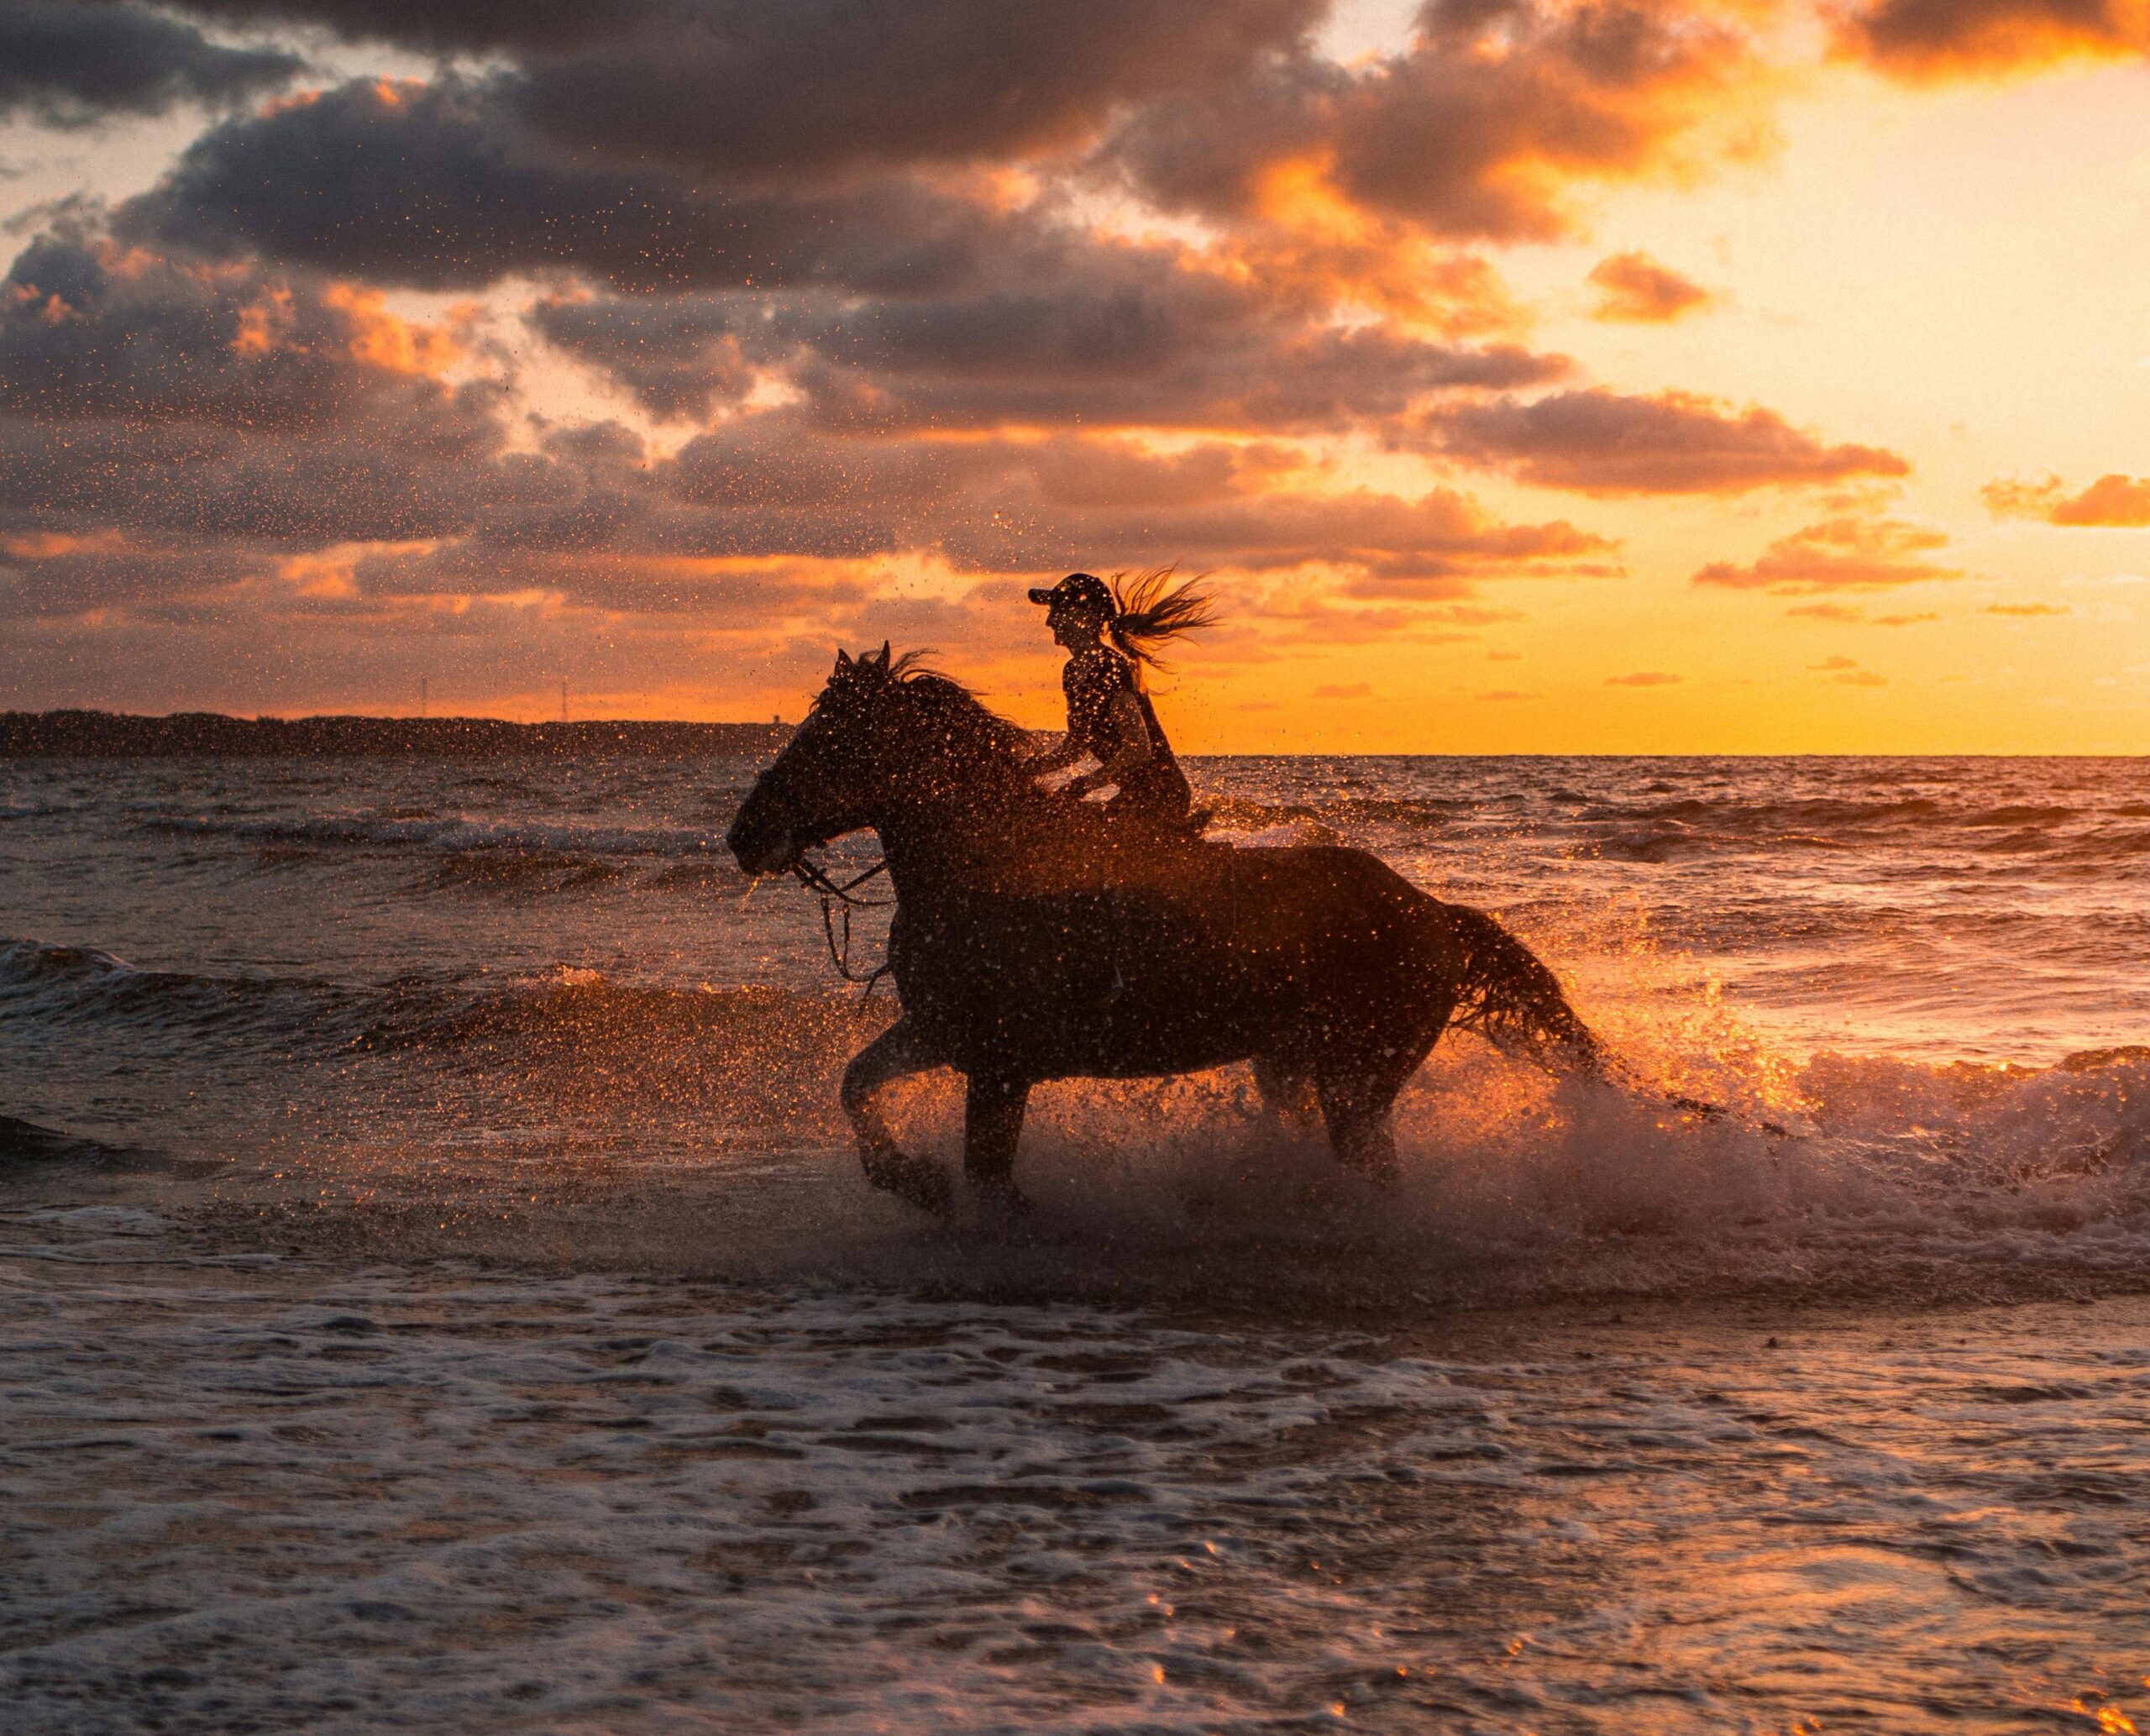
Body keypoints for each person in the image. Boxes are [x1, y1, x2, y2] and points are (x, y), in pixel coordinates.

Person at [1026, 569, 1214, 835]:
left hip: (1162, 795)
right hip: (1134, 794)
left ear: (1086, 616)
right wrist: (1031, 769)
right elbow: (1076, 745)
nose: (1050, 621)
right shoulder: (1072, 672)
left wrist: (1085, 784)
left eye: (1057, 611)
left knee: (1074, 832)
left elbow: (1138, 749)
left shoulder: (1111, 667)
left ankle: (1176, 835)